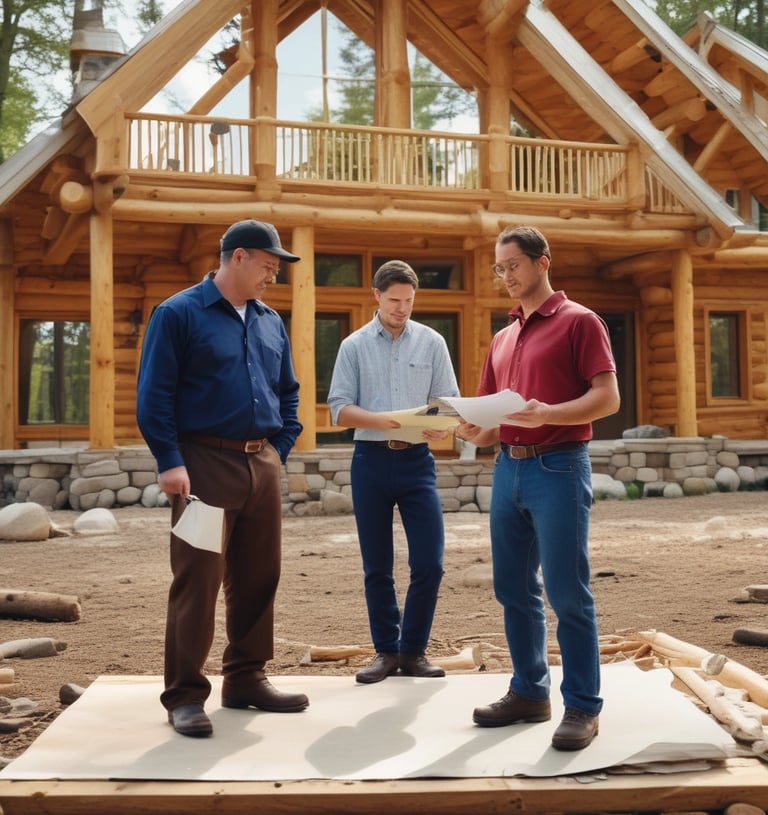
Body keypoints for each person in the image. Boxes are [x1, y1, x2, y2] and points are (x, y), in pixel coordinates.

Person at [136, 219, 309, 738]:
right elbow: (154, 394)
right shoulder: (178, 313)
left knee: (260, 576)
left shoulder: (270, 321)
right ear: (238, 257)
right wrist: (170, 460)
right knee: (199, 580)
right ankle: (185, 696)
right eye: (268, 265)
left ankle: (245, 679)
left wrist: (277, 451)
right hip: (202, 468)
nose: (273, 276)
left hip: (261, 465)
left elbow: (288, 392)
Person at [457, 226, 620, 751]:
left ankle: (583, 706)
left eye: (513, 265)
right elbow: (492, 422)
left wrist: (548, 413)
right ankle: (529, 692)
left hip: (559, 467)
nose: (506, 275)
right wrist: (469, 430)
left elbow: (608, 397)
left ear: (542, 262)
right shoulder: (502, 337)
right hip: (508, 469)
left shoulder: (580, 321)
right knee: (512, 588)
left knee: (567, 593)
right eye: (500, 268)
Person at [327, 260, 460, 684]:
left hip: (418, 462)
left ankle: (413, 651)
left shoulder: (433, 342)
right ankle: (386, 651)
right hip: (370, 461)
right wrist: (382, 421)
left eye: (408, 301)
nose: (401, 308)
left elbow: (448, 404)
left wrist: (443, 427)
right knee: (377, 565)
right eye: (394, 300)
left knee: (430, 563)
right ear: (376, 296)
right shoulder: (353, 346)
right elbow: (338, 409)